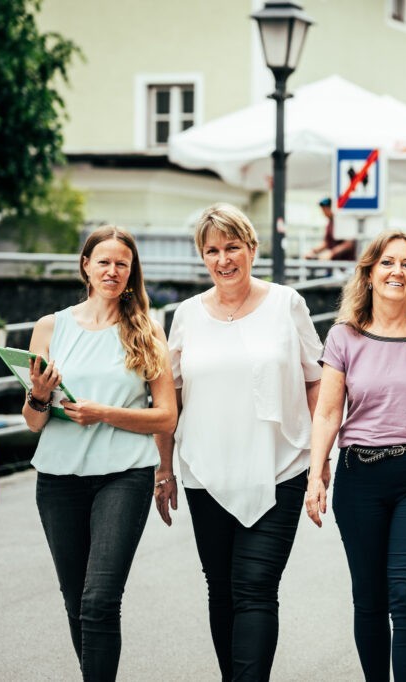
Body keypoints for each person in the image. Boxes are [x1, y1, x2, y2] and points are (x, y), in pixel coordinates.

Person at [156, 203, 323, 681]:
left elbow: (317, 381)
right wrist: (164, 469)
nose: (224, 258)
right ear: (202, 257)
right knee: (221, 589)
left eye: (233, 247)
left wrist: (318, 459)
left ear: (252, 249)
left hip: (280, 467)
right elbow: (173, 397)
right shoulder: (186, 315)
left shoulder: (287, 303)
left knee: (254, 587)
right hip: (205, 471)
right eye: (213, 250)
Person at [306, 230, 406, 682]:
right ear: (370, 273)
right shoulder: (343, 336)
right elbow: (329, 410)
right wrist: (317, 474)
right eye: (388, 263)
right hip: (360, 477)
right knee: (369, 598)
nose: (398, 271)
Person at [24, 225, 177, 680]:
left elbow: (166, 416)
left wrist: (104, 413)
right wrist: (37, 395)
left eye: (122, 264)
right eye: (104, 261)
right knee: (77, 603)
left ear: (131, 274)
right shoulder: (50, 327)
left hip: (123, 476)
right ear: (86, 267)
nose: (112, 270)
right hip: (57, 480)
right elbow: (33, 421)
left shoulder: (147, 331)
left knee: (99, 600)